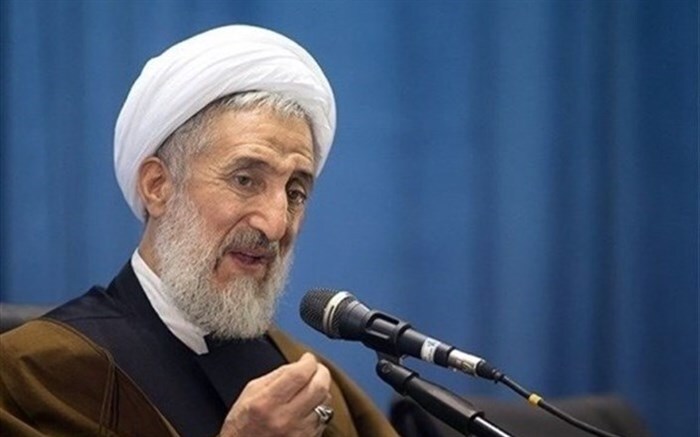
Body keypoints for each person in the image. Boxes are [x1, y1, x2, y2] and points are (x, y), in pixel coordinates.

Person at [0, 25, 398, 437]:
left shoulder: (308, 382)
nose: (276, 224)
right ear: (157, 186)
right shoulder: (33, 373)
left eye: (295, 192)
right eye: (245, 180)